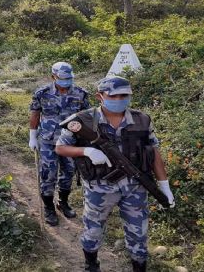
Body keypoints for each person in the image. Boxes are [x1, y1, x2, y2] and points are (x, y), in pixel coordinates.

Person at [55, 76, 175, 272]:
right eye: (114, 95)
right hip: (99, 187)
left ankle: (139, 266)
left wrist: (164, 186)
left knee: (139, 232)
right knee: (93, 230)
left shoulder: (142, 120)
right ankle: (91, 264)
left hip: (135, 187)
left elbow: (154, 153)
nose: (119, 100)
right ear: (100, 96)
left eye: (124, 95)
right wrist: (86, 151)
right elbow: (61, 148)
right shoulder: (83, 120)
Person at [28, 62, 90, 226]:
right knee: (48, 174)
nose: (66, 81)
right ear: (53, 77)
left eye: (69, 78)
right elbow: (35, 114)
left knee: (68, 172)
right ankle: (49, 207)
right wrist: (32, 136)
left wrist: (85, 140)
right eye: (63, 78)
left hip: (70, 142)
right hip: (48, 140)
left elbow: (86, 117)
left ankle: (63, 202)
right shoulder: (42, 93)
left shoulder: (81, 94)